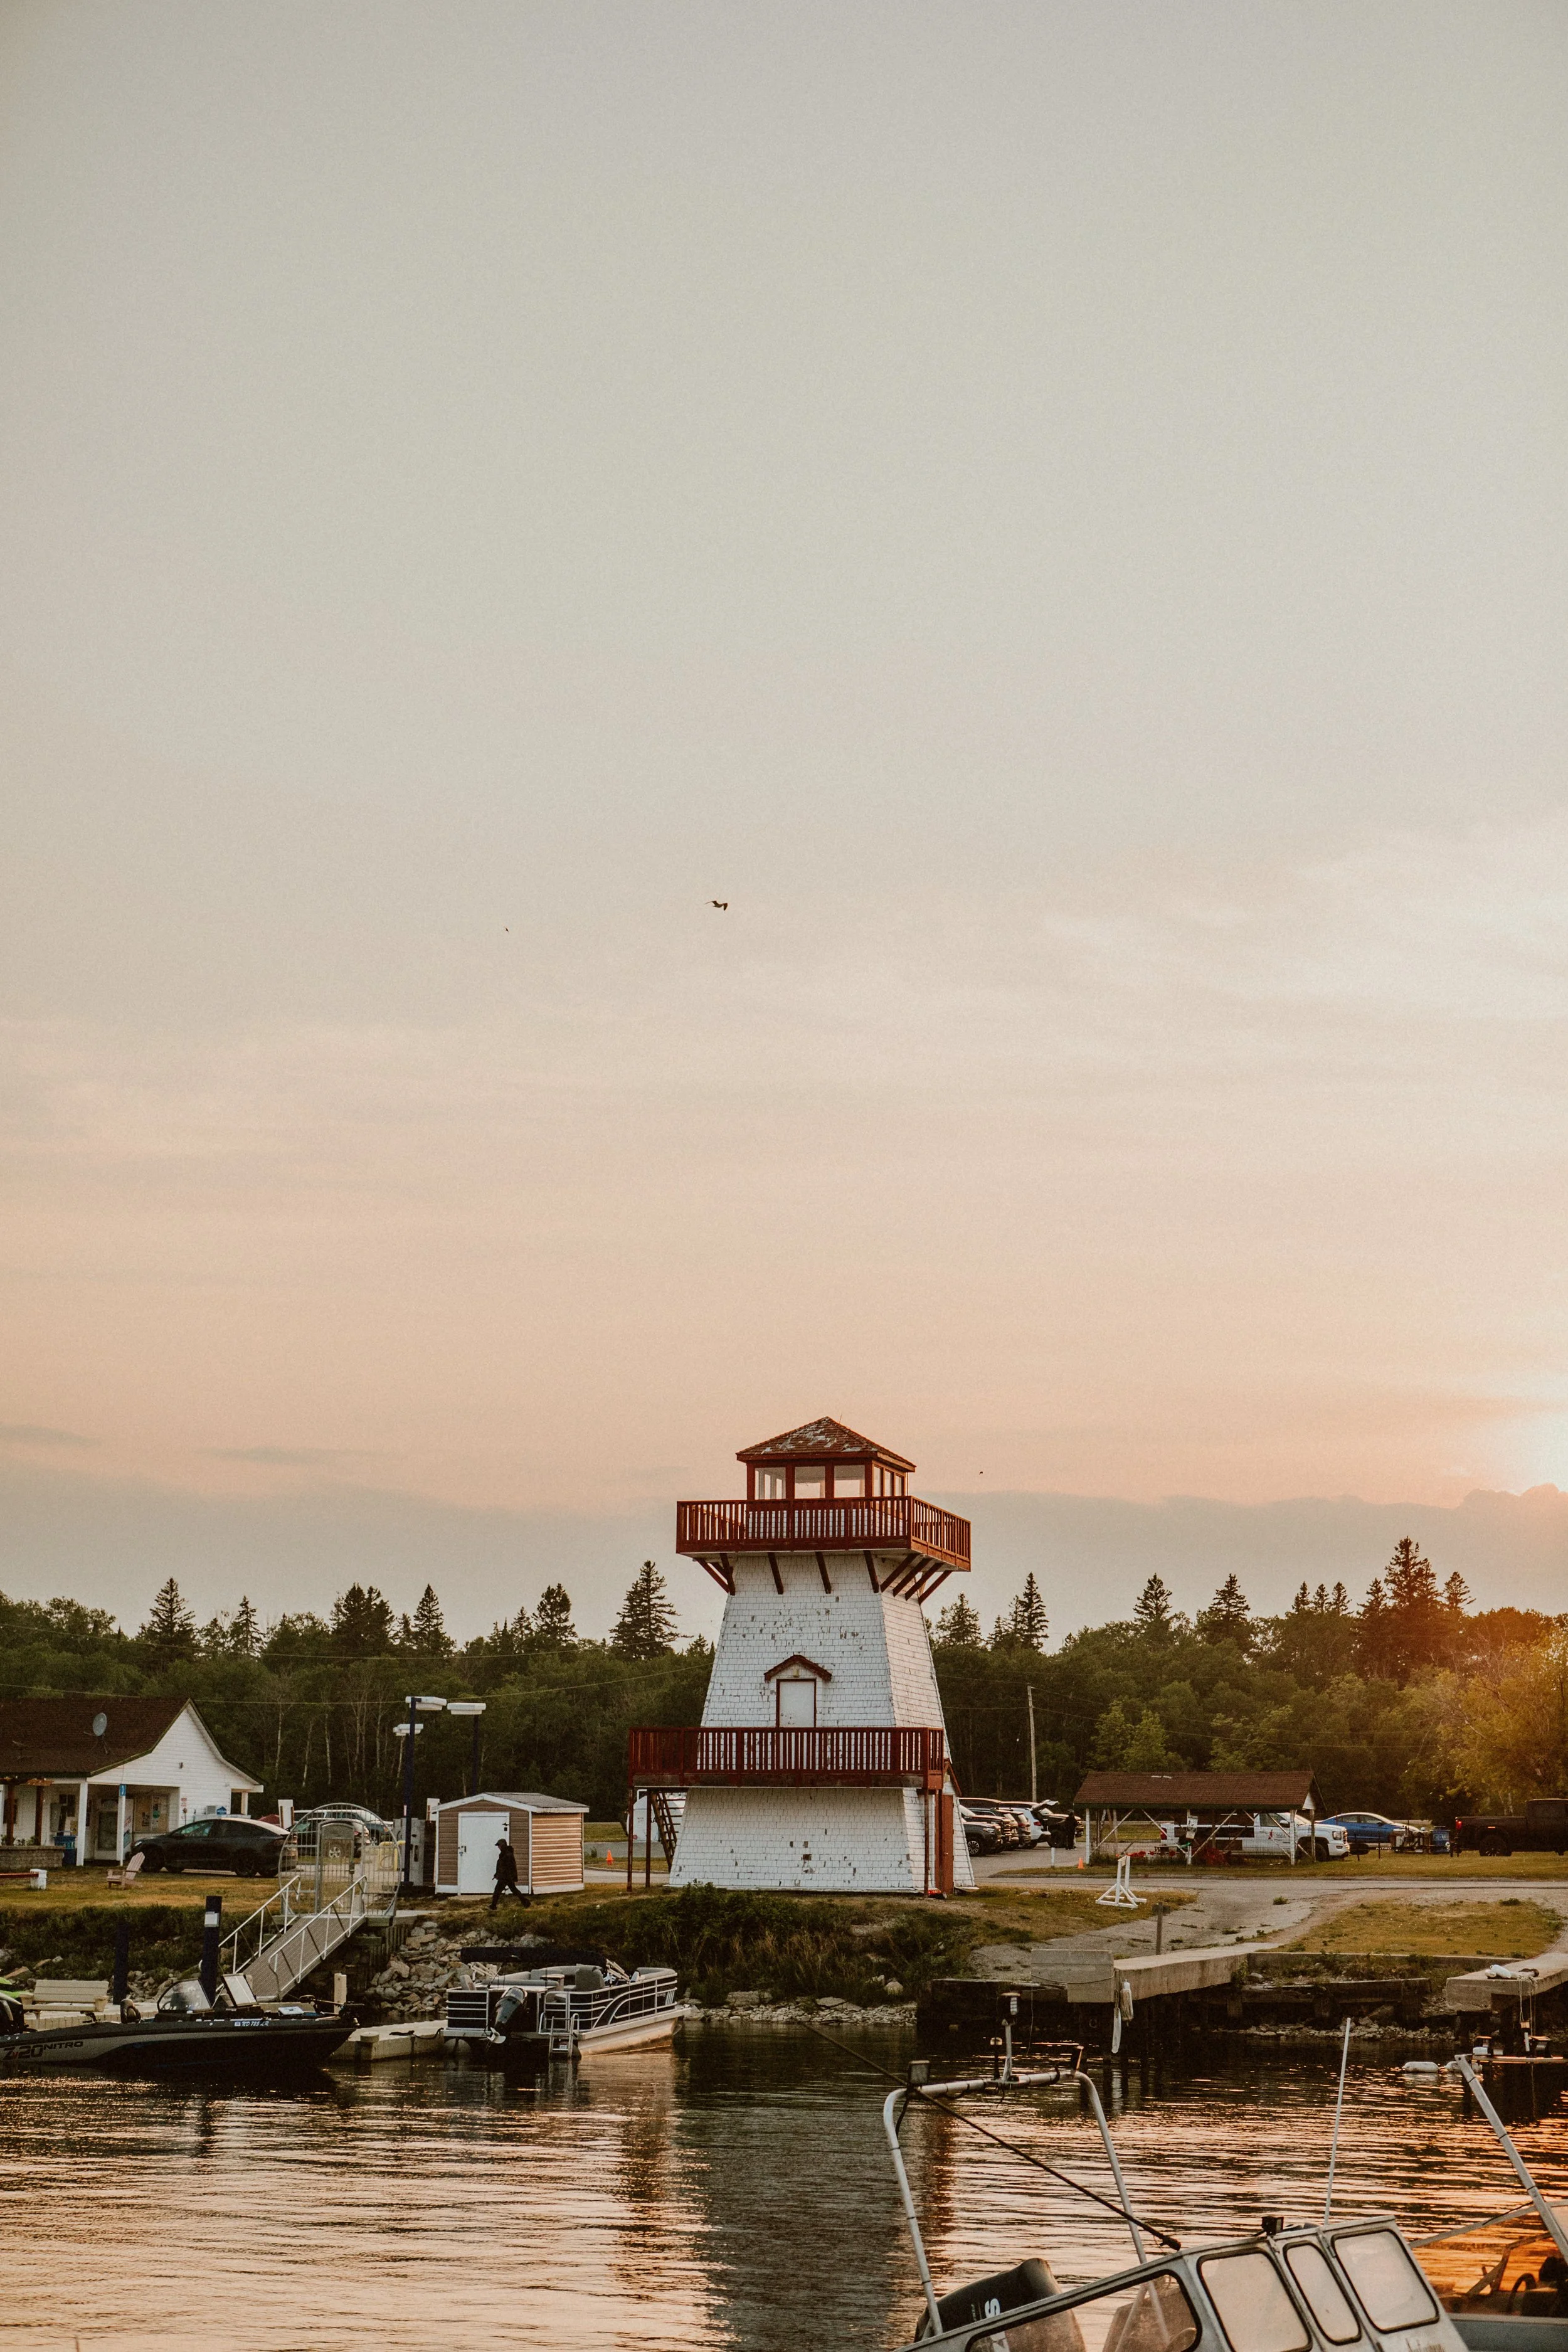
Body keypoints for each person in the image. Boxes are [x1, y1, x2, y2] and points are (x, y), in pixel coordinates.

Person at [490, 1835, 526, 1910]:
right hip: (507, 1877)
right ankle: (526, 1903)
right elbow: (501, 1867)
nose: (498, 1847)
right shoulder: (504, 1854)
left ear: (503, 1846)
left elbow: (507, 1868)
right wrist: (497, 1874)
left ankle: (493, 1906)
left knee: (497, 1891)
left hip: (505, 1877)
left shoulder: (507, 1855)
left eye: (499, 1846)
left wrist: (500, 1875)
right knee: (514, 1890)